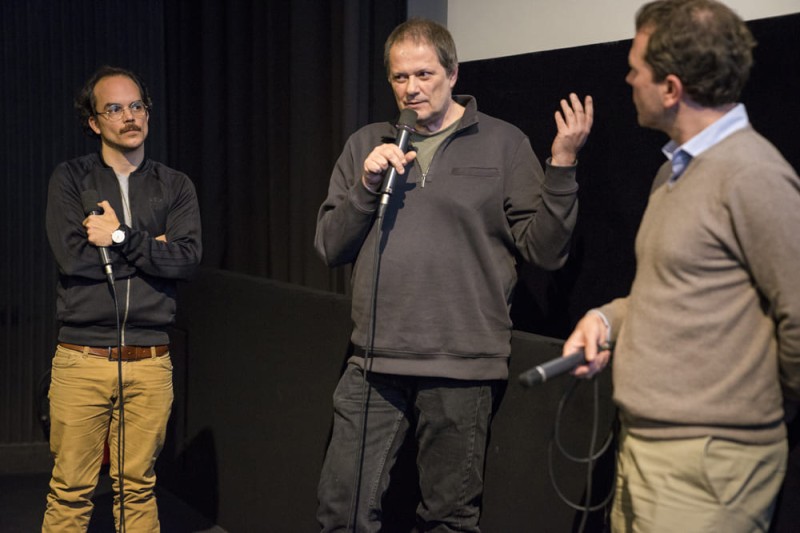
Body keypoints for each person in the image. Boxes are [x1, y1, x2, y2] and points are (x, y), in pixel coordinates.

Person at [314, 17, 593, 531]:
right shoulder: (367, 144)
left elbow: (546, 251)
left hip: (462, 366)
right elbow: (330, 245)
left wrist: (563, 164)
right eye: (400, 78)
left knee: (448, 518)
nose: (411, 88)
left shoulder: (504, 144)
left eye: (424, 74)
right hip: (374, 361)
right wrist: (365, 186)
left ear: (453, 72)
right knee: (341, 508)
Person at [563, 1, 800, 531]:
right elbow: (668, 291)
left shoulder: (752, 174)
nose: (627, 78)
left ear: (670, 88)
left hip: (709, 466)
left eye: (636, 69)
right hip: (647, 451)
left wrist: (753, 408)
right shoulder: (675, 173)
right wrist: (606, 320)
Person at [42, 66, 202, 532]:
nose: (129, 117)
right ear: (94, 122)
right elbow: (74, 260)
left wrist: (116, 236)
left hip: (151, 360)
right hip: (82, 357)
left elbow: (187, 261)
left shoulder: (175, 186)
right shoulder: (71, 180)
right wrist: (154, 247)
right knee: (71, 489)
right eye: (114, 108)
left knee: (138, 486)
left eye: (136, 106)